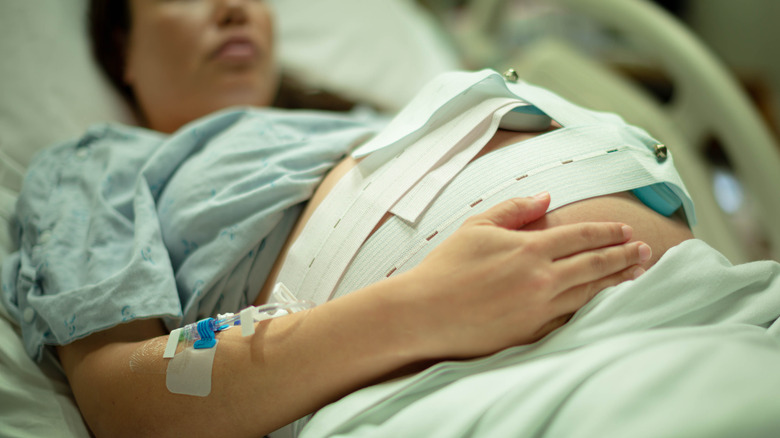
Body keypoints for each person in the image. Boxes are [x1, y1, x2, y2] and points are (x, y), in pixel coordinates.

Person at [0, 0, 678, 436]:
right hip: (480, 380)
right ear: (122, 51)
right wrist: (421, 310)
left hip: (680, 303)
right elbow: (125, 400)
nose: (234, 8)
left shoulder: (363, 121)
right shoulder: (98, 164)